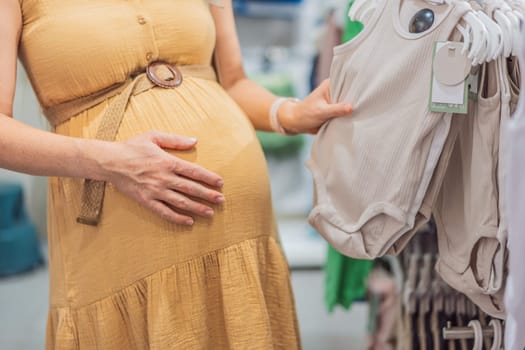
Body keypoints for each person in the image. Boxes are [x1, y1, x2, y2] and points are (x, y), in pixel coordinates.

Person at [0, 0, 352, 348]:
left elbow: (233, 82)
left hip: (240, 229)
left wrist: (289, 113)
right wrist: (112, 162)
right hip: (119, 241)